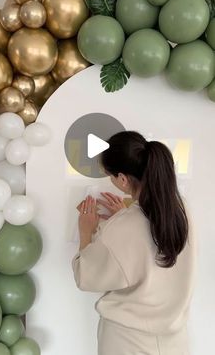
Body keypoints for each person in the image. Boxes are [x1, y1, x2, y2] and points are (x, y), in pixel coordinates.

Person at [72, 131, 197, 355]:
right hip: (175, 343)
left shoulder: (122, 227)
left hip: (126, 342)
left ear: (122, 179)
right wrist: (126, 215)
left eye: (109, 175)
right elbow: (152, 251)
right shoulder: (181, 210)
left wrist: (86, 231)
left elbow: (85, 276)